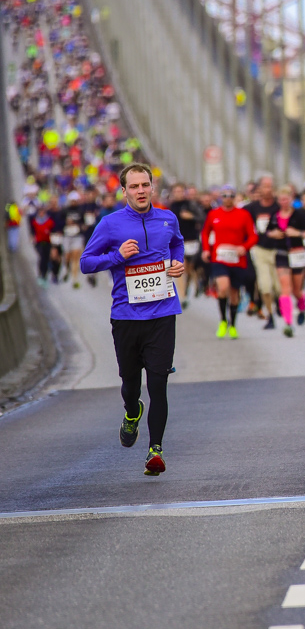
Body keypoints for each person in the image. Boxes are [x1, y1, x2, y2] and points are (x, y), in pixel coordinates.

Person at [79, 163, 185, 476]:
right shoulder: (110, 225)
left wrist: (177, 262)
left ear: (153, 188)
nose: (141, 191)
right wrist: (118, 257)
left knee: (159, 383)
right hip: (126, 316)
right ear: (124, 191)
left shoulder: (168, 218)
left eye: (145, 185)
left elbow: (177, 241)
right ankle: (131, 411)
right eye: (134, 186)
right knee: (130, 385)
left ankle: (156, 450)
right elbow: (86, 263)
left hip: (163, 313)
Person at [200, 185, 258, 339]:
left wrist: (244, 247)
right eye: (225, 196)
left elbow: (253, 236)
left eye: (231, 196)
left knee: (234, 293)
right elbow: (205, 232)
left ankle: (233, 324)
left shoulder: (243, 215)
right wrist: (206, 249)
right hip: (219, 258)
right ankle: (223, 320)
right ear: (221, 198)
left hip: (237, 259)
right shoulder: (214, 214)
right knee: (223, 287)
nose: (228, 199)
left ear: (234, 197)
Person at [265, 183, 305, 338]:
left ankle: (302, 305)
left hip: (297, 254)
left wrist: (297, 233)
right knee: (285, 288)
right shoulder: (275, 215)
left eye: (286, 200)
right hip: (282, 255)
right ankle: (288, 323)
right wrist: (273, 234)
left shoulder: (299, 215)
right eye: (281, 200)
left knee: (296, 290)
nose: (283, 202)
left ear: (291, 199)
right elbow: (266, 232)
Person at [244, 175, 283, 331]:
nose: (268, 190)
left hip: (278, 250)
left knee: (278, 288)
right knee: (265, 286)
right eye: (265, 187)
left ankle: (279, 303)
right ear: (259, 189)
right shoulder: (251, 208)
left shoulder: (279, 207)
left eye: (270, 187)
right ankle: (270, 315)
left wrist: (282, 233)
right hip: (259, 250)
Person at [169, 183, 203, 309]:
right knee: (180, 268)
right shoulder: (171, 206)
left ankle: (190, 286)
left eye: (180, 191)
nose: (178, 193)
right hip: (178, 241)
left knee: (189, 269)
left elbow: (202, 217)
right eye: (176, 191)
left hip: (191, 240)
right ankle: (182, 296)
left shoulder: (191, 204)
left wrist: (191, 217)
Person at [60, 190, 86, 288]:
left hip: (77, 236)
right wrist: (66, 223)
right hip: (67, 235)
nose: (74, 202)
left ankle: (74, 279)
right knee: (67, 256)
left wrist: (77, 225)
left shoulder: (81, 210)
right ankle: (66, 268)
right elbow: (59, 223)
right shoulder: (65, 210)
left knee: (76, 257)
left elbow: (84, 223)